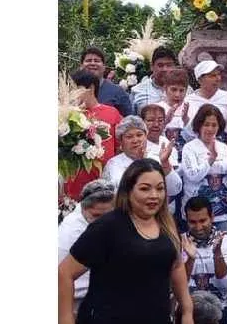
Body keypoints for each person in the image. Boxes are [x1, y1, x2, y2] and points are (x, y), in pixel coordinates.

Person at [58, 158, 193, 324]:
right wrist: (65, 318)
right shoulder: (107, 226)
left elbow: (176, 266)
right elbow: (65, 272)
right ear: (128, 190)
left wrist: (187, 311)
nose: (154, 196)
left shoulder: (168, 225)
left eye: (160, 189)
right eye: (145, 189)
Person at [57, 180, 116, 319]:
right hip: (74, 301)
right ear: (83, 209)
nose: (102, 222)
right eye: (96, 216)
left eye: (108, 216)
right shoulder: (73, 231)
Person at [103, 113, 183, 215]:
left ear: (146, 136)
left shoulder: (157, 158)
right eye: (129, 136)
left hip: (156, 218)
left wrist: (165, 164)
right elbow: (107, 197)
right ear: (121, 142)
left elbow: (175, 189)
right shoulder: (113, 164)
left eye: (139, 135)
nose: (135, 140)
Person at [181, 104, 227, 231]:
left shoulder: (223, 147)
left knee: (219, 247)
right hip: (196, 213)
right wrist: (210, 160)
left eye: (214, 125)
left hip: (220, 212)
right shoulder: (189, 147)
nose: (210, 128)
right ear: (199, 125)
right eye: (206, 124)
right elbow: (192, 176)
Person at [63, 69, 123, 201]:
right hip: (73, 186)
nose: (71, 94)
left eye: (75, 89)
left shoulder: (112, 113)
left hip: (104, 185)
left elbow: (120, 147)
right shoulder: (66, 116)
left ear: (90, 88)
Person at [182, 196, 227, 324]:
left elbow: (226, 283)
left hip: (219, 305)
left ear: (212, 217)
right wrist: (190, 259)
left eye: (203, 220)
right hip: (189, 307)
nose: (198, 227)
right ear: (186, 220)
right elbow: (179, 285)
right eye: (193, 222)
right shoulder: (179, 243)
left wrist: (217, 253)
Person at [80, 47, 133, 116]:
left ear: (104, 67)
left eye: (96, 61)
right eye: (88, 60)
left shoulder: (118, 92)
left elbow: (129, 121)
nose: (92, 63)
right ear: (81, 66)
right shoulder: (71, 90)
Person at [186, 60, 227, 132]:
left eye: (218, 74)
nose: (218, 79)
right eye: (212, 76)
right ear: (200, 80)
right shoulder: (188, 101)